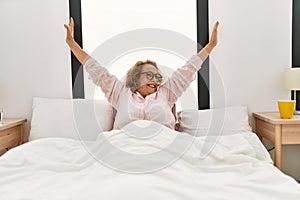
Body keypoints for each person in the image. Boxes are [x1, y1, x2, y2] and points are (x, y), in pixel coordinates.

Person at [64, 18, 219, 130]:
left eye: (157, 76)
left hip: (164, 149)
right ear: (136, 79)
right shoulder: (120, 93)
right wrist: (72, 44)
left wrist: (211, 46)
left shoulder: (166, 93)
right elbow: (96, 70)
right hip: (124, 150)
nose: (155, 80)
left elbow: (189, 69)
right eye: (149, 75)